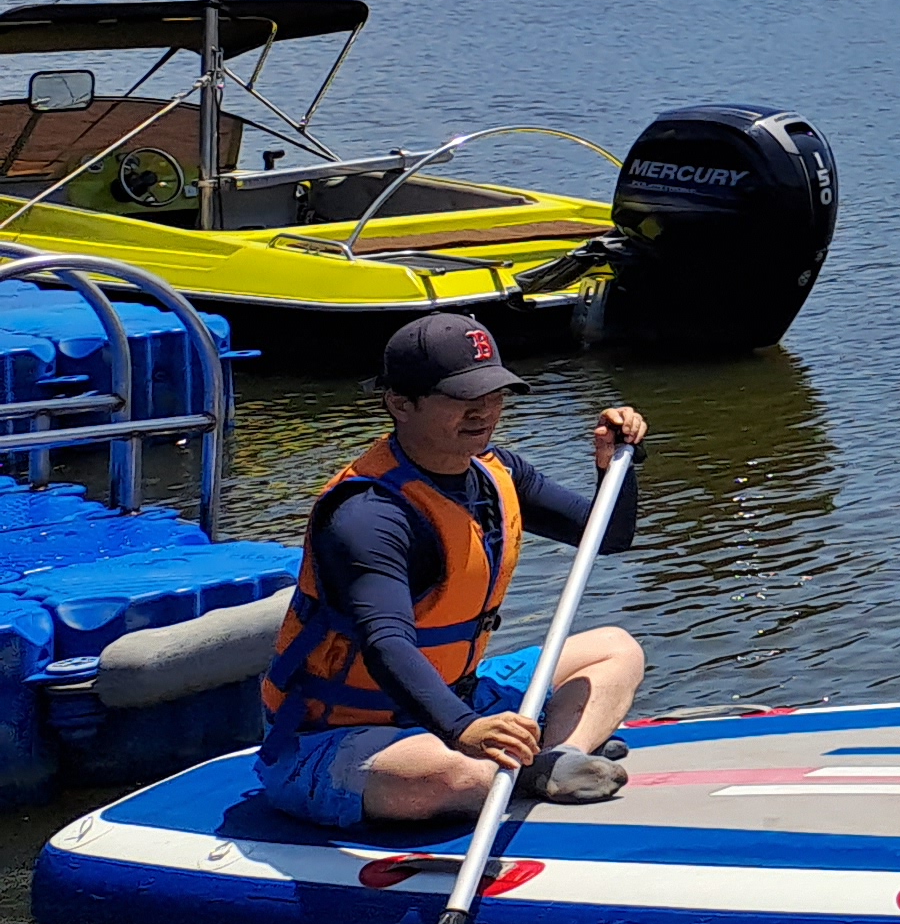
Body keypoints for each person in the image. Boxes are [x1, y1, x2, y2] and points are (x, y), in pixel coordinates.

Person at [251, 312, 648, 831]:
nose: (484, 412)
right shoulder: (368, 514)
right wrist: (465, 730)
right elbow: (385, 642)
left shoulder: (496, 470)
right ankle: (520, 769)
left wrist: (614, 465)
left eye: (494, 395)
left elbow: (609, 536)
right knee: (447, 775)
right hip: (341, 734)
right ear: (400, 403)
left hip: (459, 692)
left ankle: (556, 757)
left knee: (618, 649)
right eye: (462, 399)